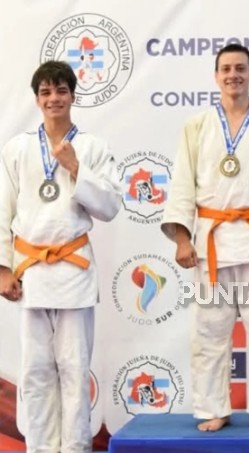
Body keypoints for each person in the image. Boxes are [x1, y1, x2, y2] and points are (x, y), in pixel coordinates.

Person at [161, 44, 249, 432]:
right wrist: (181, 238)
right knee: (209, 334)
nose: (233, 75)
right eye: (226, 69)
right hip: (211, 244)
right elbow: (181, 187)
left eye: (240, 68)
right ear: (216, 76)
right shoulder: (196, 126)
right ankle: (213, 408)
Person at [0, 61, 121, 453]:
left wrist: (76, 168)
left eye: (61, 91)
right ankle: (39, 448)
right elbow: (3, 210)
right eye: (46, 92)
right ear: (37, 99)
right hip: (31, 272)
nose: (54, 98)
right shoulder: (17, 149)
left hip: (73, 271)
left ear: (72, 95)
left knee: (73, 369)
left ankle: (75, 448)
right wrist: (3, 269)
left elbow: (109, 207)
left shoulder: (92, 148)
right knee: (35, 371)